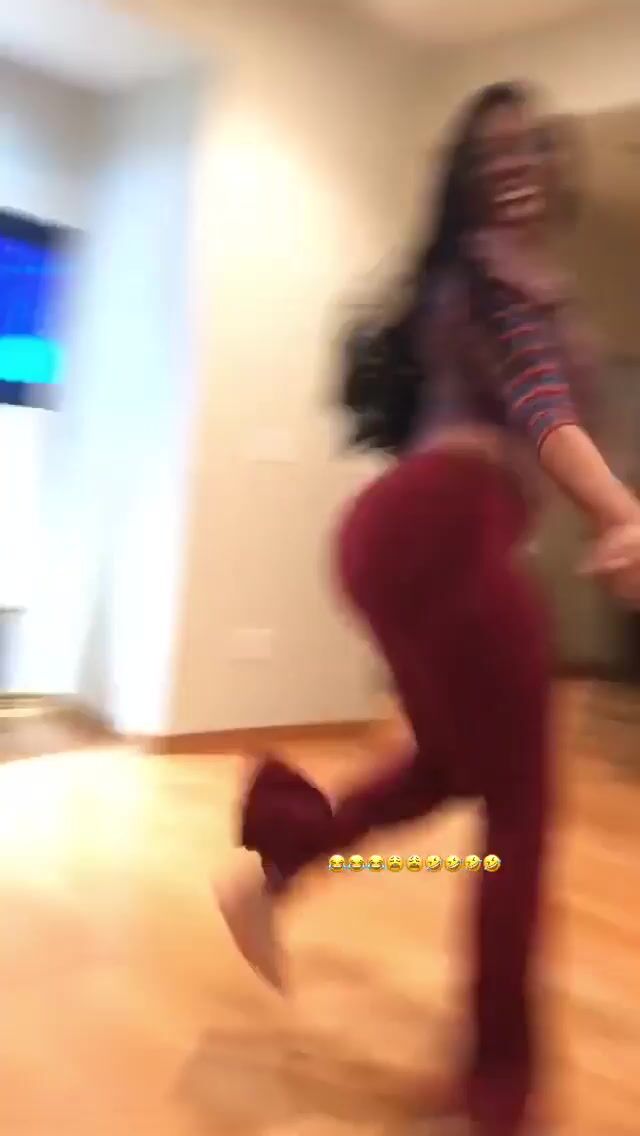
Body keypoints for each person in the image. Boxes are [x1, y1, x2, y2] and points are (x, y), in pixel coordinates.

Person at [215, 82, 640, 1135]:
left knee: (449, 767)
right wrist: (620, 511)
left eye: (530, 148)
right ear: (465, 181)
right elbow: (541, 404)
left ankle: (280, 858)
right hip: (441, 523)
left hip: (409, 535)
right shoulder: (492, 279)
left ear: (554, 168)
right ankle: (497, 1093)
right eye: (491, 153)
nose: (515, 166)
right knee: (521, 812)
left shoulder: (509, 285)